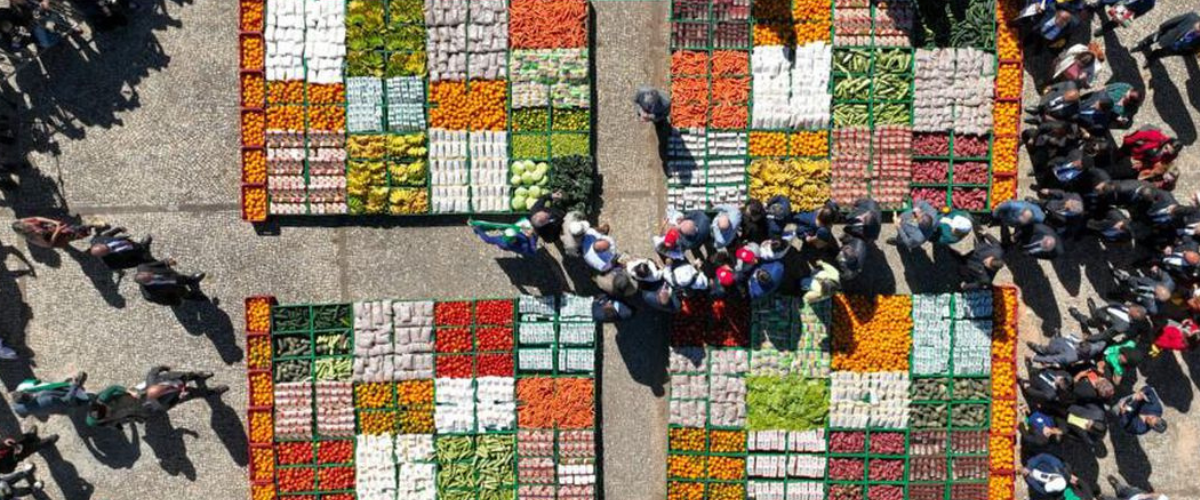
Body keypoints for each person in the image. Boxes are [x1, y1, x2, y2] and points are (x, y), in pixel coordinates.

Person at [138, 366, 228, 414]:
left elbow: (154, 370)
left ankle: (198, 375)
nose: (163, 389)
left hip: (176, 378)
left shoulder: (152, 379)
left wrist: (164, 368)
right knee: (194, 393)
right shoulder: (159, 404)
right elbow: (169, 405)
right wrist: (179, 398)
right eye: (162, 392)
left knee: (187, 375)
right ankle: (213, 391)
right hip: (179, 393)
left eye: (161, 388)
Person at [10, 373, 90, 418]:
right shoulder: (47, 399)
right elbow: (67, 400)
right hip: (58, 400)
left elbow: (22, 414)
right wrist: (76, 384)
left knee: (59, 409)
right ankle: (86, 402)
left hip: (49, 409)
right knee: (82, 400)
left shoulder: (17, 407)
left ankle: (64, 386)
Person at [1069, 299, 1152, 343]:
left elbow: (1105, 335)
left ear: (1134, 314)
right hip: (1105, 311)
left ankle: (1077, 315)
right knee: (1097, 312)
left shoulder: (1121, 327)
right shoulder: (1131, 308)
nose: (1132, 306)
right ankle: (1094, 310)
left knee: (1091, 322)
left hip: (1102, 319)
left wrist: (1089, 338)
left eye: (1134, 308)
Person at [1132, 12, 1200, 65]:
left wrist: (1183, 52)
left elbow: (1195, 48)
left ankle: (1152, 57)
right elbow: (1173, 21)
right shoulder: (1191, 17)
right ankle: (1142, 45)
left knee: (1163, 53)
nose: (1198, 29)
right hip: (1168, 35)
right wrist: (1162, 28)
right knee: (1152, 38)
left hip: (1176, 48)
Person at [134, 258, 207, 306]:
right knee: (184, 293)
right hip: (173, 290)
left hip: (171, 276)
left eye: (149, 273)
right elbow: (164, 301)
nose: (152, 275)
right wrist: (176, 302)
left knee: (182, 278)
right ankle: (193, 296)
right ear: (145, 282)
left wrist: (167, 262)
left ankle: (192, 280)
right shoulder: (149, 294)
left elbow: (157, 264)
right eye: (150, 278)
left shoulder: (143, 267)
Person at [88, 225, 153, 271]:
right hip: (133, 254)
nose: (110, 248)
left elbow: (107, 235)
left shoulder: (98, 240)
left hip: (128, 244)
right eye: (108, 251)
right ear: (103, 255)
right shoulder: (111, 263)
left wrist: (118, 229)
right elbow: (128, 264)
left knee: (138, 245)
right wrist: (141, 261)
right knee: (149, 260)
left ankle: (143, 245)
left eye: (107, 246)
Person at [1027, 331, 1105, 368]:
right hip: (1064, 342)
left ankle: (1036, 348)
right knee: (1058, 339)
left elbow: (1052, 359)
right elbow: (1102, 343)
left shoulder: (1068, 357)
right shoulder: (1094, 348)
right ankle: (1057, 336)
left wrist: (1035, 358)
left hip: (1055, 348)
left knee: (1046, 350)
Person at [10, 216, 94, 249]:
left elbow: (37, 218)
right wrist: (58, 230)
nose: (32, 226)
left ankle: (89, 226)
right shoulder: (34, 238)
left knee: (73, 228)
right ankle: (89, 229)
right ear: (26, 231)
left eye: (29, 225)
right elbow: (49, 244)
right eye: (29, 228)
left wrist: (54, 222)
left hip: (53, 229)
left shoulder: (24, 221)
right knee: (74, 234)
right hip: (57, 237)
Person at [471, 221, 538, 256]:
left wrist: (478, 229)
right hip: (527, 249)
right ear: (513, 240)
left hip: (507, 245)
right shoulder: (523, 246)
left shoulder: (499, 239)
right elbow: (533, 251)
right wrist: (531, 237)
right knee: (533, 238)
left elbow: (487, 239)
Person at [1090, 0, 1156, 36]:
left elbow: (1138, 13)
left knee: (1116, 21)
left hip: (1128, 9)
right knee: (1106, 1)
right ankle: (1097, 5)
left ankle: (1106, 28)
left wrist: (1126, 18)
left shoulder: (1150, 3)